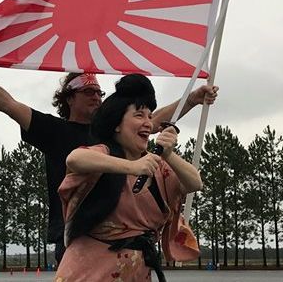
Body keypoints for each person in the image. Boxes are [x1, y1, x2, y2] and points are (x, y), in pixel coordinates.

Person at [0, 58, 217, 264]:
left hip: (125, 236)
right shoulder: (54, 130)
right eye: (88, 91)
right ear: (69, 97)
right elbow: (8, 104)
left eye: (99, 92)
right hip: (78, 233)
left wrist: (192, 100)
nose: (96, 97)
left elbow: (152, 119)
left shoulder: (114, 132)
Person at [55, 74, 203, 282]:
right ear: (117, 124)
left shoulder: (157, 165)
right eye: (139, 115)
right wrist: (132, 167)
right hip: (89, 271)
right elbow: (75, 159)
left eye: (150, 117)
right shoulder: (105, 154)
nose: (148, 123)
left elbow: (194, 182)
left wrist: (169, 154)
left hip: (136, 271)